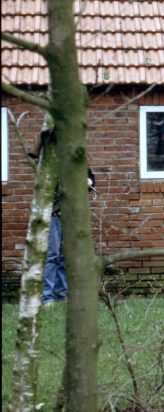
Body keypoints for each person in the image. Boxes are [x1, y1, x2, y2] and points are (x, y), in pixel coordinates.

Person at [29, 131, 95, 306]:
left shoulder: (76, 159)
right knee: (51, 256)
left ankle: (62, 295)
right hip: (52, 214)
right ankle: (48, 297)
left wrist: (88, 182)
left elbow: (90, 178)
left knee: (66, 256)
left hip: (71, 215)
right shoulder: (46, 162)